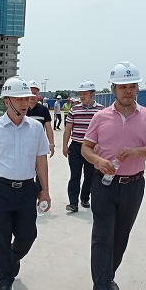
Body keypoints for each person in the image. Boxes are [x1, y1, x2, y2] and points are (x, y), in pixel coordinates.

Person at [81, 61, 146, 290]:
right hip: (104, 185)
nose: (128, 91)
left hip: (133, 186)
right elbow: (86, 148)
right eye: (122, 86)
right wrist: (99, 161)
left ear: (137, 88)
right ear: (114, 89)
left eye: (132, 86)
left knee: (120, 236)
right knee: (102, 236)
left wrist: (137, 151)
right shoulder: (100, 117)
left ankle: (108, 276)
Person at [0, 76, 51, 290]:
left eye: (27, 99)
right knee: (0, 238)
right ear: (7, 101)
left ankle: (12, 258)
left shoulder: (35, 128)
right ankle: (5, 280)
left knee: (28, 235)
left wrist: (45, 190)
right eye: (19, 99)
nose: (26, 103)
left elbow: (41, 160)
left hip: (27, 189)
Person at [62, 81, 103, 212]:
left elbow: (104, 131)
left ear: (93, 94)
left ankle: (85, 198)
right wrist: (65, 146)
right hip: (75, 147)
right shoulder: (74, 110)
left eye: (85, 94)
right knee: (75, 176)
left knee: (90, 175)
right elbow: (68, 129)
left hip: (91, 149)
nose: (82, 96)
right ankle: (73, 203)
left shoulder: (101, 110)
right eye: (80, 94)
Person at [26, 80, 55, 190]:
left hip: (38, 146)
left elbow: (48, 128)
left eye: (35, 93)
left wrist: (51, 144)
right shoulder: (21, 109)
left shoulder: (43, 110)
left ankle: (40, 194)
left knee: (40, 172)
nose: (33, 96)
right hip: (24, 146)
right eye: (31, 93)